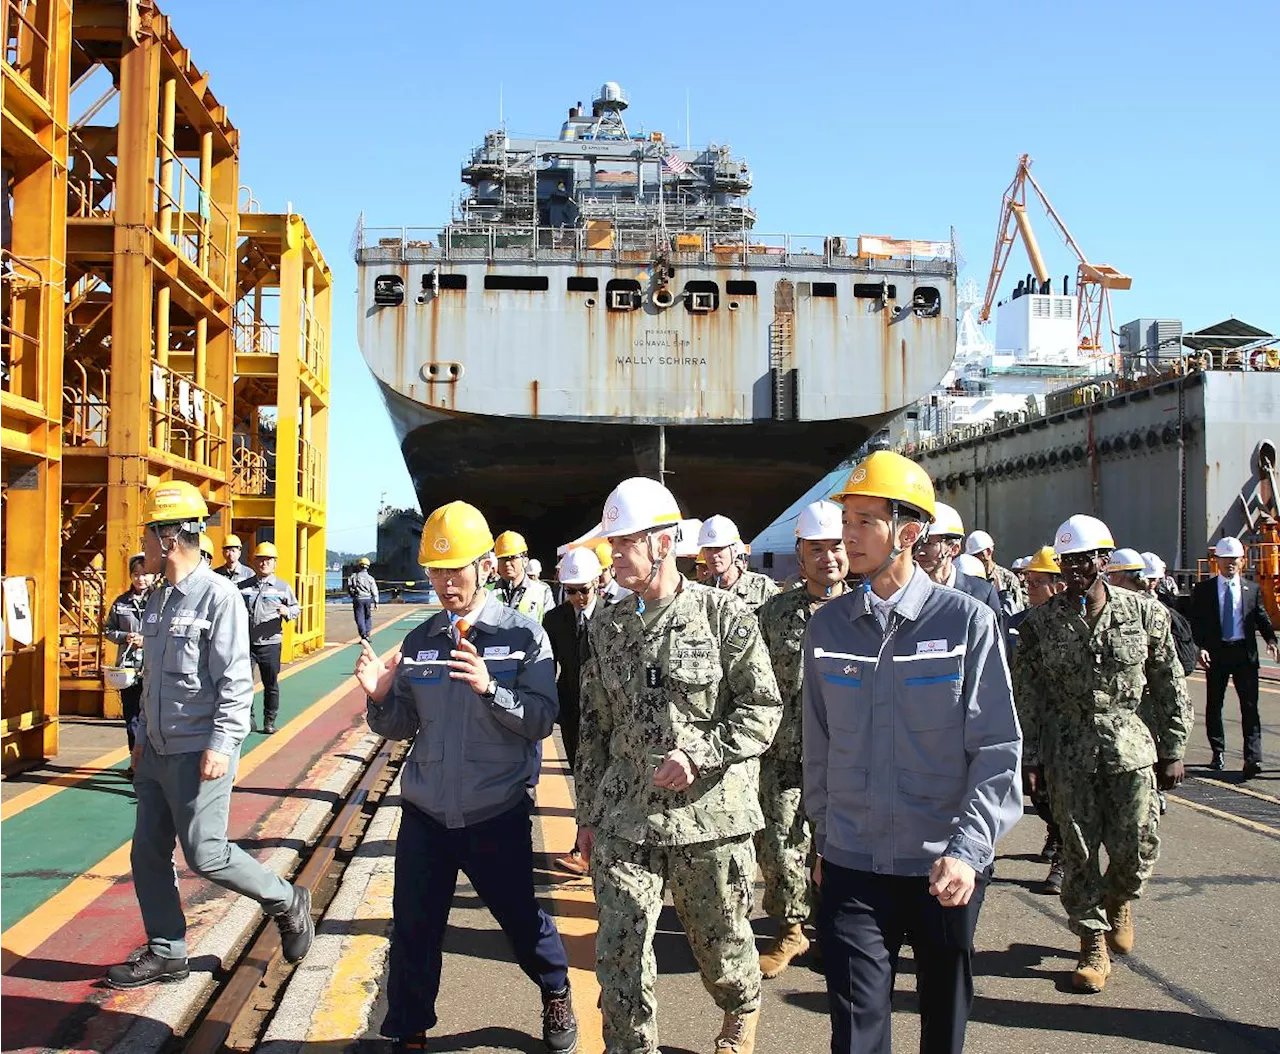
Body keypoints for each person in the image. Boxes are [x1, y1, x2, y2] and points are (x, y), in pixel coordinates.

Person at [804, 451, 1022, 1054]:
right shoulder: (828, 629)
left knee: (941, 1029)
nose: (848, 537)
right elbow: (818, 744)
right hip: (852, 865)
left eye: (865, 522)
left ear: (909, 530)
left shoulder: (968, 624)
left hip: (942, 868)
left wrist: (969, 852)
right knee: (855, 1035)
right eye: (845, 520)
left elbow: (998, 748)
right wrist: (824, 839)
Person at [355, 501, 577, 1053]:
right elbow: (402, 722)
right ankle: (409, 1030)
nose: (445, 583)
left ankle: (554, 987)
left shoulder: (524, 636)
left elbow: (541, 720)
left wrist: (490, 688)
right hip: (426, 811)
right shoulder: (422, 640)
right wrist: (380, 698)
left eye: (456, 571)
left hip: (494, 810)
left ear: (484, 566)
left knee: (520, 919)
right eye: (435, 571)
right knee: (413, 928)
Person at [575, 477, 782, 1054]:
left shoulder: (725, 616)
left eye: (624, 543)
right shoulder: (606, 625)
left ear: (664, 544)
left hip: (709, 818)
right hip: (625, 815)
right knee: (619, 948)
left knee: (720, 949)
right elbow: (594, 728)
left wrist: (701, 753)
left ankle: (740, 1008)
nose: (612, 554)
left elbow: (763, 708)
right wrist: (587, 814)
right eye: (611, 544)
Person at [106, 482, 313, 990]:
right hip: (156, 749)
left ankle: (285, 899)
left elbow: (236, 682)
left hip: (199, 749)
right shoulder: (156, 598)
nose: (145, 545)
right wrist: (139, 741)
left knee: (207, 854)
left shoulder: (219, 597)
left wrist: (222, 746)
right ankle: (166, 950)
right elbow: (154, 677)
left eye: (151, 533)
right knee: (147, 853)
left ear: (170, 537)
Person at [1012, 514, 1189, 992]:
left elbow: (1169, 681)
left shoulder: (1145, 613)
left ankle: (1120, 898)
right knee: (1079, 850)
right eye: (1068, 561)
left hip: (1130, 747)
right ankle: (1092, 941)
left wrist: (1173, 747)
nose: (1076, 570)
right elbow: (1027, 694)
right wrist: (1030, 757)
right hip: (1068, 752)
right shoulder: (1040, 624)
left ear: (1104, 562)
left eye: (1086, 560)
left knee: (1137, 846)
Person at [755, 500, 848, 979]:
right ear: (801, 552)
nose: (828, 557)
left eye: (835, 546)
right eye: (817, 548)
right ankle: (792, 928)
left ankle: (838, 928)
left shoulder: (867, 610)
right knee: (780, 845)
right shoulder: (774, 614)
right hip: (787, 754)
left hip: (852, 756)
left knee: (844, 847)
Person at [1189, 536, 1279, 778]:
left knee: (1250, 707)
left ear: (1242, 561)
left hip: (1244, 655)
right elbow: (1195, 622)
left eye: (1234, 560)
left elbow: (1261, 617)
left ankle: (1253, 758)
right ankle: (1217, 751)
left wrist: (1271, 640)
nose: (1230, 563)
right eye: (1225, 559)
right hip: (1216, 654)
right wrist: (1200, 647)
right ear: (1216, 561)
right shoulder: (1204, 590)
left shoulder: (1252, 590)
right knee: (1214, 705)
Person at [1006, 545, 1066, 891]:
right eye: (1027, 581)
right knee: (1039, 794)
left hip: (1064, 730)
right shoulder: (1018, 625)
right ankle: (1054, 833)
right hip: (1028, 725)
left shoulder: (1073, 625)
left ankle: (1062, 859)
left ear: (1056, 585)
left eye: (1035, 583)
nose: (1028, 588)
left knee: (1064, 797)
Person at [543, 546, 603, 877]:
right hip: (572, 714)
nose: (578, 597)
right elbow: (547, 666)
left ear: (598, 583)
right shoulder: (555, 619)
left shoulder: (615, 615)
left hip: (610, 718)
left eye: (584, 590)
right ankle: (583, 847)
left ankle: (606, 847)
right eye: (571, 591)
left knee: (610, 781)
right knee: (582, 779)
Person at [239, 542, 301, 735]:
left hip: (270, 644)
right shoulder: (243, 587)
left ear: (275, 563)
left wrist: (286, 611)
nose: (264, 563)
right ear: (254, 562)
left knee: (270, 684)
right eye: (260, 559)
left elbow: (296, 608)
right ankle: (248, 719)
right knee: (243, 683)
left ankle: (269, 721)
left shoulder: (282, 587)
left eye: (268, 560)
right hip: (246, 644)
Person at [913, 501, 1003, 624]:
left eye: (928, 544)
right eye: (916, 543)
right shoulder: (902, 592)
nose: (919, 552)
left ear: (954, 549)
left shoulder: (981, 595)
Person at [103, 554, 151, 776]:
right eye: (136, 575)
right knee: (132, 716)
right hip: (130, 669)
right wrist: (125, 636)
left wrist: (147, 640)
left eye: (145, 574)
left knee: (151, 716)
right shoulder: (121, 603)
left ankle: (153, 764)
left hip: (153, 667)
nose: (141, 579)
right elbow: (108, 630)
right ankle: (136, 761)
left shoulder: (160, 601)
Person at [698, 514, 779, 611]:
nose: (713, 555)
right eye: (708, 549)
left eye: (719, 548)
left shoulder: (763, 587)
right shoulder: (699, 592)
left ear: (735, 550)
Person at [494, 530, 556, 623]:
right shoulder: (487, 592)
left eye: (512, 557)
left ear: (525, 561)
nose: (507, 563)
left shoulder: (542, 592)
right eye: (502, 558)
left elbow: (551, 627)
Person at [965, 529, 1026, 615]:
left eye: (976, 555)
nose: (973, 559)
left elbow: (1018, 613)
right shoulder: (969, 577)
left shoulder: (1007, 578)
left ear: (988, 552)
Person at [347, 557, 379, 640]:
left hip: (358, 599)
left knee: (359, 617)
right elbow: (374, 591)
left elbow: (349, 586)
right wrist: (376, 602)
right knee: (368, 617)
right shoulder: (370, 578)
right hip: (368, 599)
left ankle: (363, 634)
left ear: (359, 566)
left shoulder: (354, 576)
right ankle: (367, 634)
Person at [595, 539, 631, 604]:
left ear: (613, 570)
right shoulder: (587, 596)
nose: (599, 575)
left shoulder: (626, 595)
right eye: (595, 572)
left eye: (603, 570)